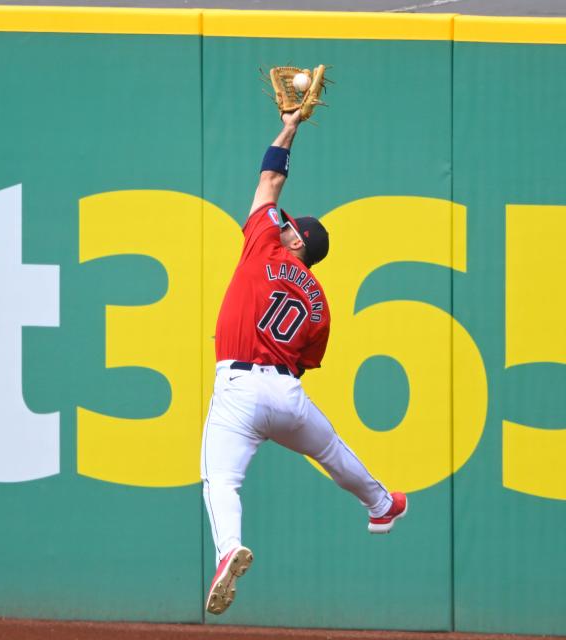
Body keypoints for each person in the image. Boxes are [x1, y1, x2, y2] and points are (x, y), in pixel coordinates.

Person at [200, 109, 408, 616]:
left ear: (295, 241)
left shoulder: (264, 243)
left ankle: (229, 547)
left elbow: (270, 178)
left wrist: (289, 127)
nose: (283, 223)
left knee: (222, 482)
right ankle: (382, 505)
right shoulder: (320, 302)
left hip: (239, 389)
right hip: (287, 395)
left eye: (290, 227)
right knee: (331, 450)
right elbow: (302, 361)